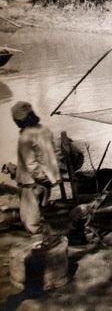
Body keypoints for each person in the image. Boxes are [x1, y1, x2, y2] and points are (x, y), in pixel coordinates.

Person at [11, 101, 61, 235]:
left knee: (30, 211)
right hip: (50, 175)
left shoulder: (25, 136)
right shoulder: (44, 129)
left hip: (31, 178)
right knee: (41, 202)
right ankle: (41, 222)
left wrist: (39, 176)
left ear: (20, 120)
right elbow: (56, 151)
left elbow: (30, 163)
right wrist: (51, 175)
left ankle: (36, 232)